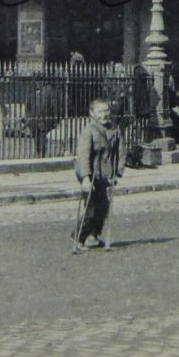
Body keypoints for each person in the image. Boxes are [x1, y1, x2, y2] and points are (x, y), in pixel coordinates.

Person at [73, 97, 123, 252]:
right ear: (92, 114)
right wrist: (86, 179)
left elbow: (120, 153)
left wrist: (118, 172)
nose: (104, 114)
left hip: (104, 174)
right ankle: (78, 238)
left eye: (106, 110)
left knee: (103, 207)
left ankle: (94, 235)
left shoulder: (114, 129)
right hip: (90, 174)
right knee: (91, 208)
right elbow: (83, 156)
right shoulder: (89, 131)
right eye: (100, 111)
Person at [28, 81, 63, 158]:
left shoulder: (49, 90)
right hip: (34, 120)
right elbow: (28, 105)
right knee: (36, 138)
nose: (37, 83)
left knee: (42, 137)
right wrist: (29, 119)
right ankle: (38, 154)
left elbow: (54, 105)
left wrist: (55, 118)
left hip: (45, 119)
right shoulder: (32, 91)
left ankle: (42, 155)